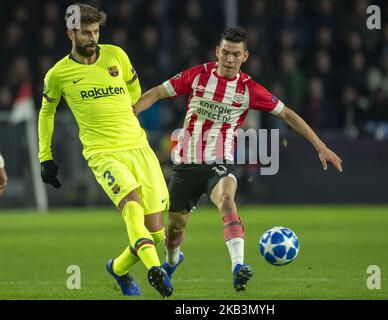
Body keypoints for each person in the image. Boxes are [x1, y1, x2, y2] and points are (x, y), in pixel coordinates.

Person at [133, 27, 343, 292]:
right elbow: (156, 93)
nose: (229, 59)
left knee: (227, 201)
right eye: (225, 53)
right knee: (174, 230)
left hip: (219, 162)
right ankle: (172, 261)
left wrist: (320, 145)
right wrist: (132, 112)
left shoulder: (248, 89)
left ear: (245, 56)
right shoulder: (197, 76)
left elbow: (287, 114)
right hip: (186, 164)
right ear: (217, 52)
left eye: (235, 54)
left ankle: (238, 267)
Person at [38, 4, 172, 298]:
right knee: (132, 208)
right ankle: (154, 270)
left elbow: (135, 92)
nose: (92, 38)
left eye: (96, 31)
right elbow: (46, 114)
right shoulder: (58, 74)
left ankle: (119, 269)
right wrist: (45, 157)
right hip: (103, 153)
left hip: (138, 147)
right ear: (70, 33)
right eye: (86, 32)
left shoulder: (116, 56)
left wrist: (128, 117)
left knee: (156, 231)